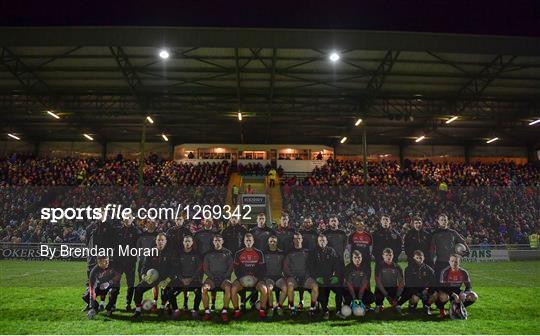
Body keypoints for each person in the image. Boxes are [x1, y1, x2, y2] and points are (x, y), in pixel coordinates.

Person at [132, 233, 173, 320]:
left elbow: (174, 268)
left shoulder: (170, 252)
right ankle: (138, 310)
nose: (160, 242)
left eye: (162, 240)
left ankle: (162, 308)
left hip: (165, 278)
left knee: (167, 290)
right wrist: (143, 276)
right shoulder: (151, 251)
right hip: (152, 277)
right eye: (158, 240)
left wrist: (167, 280)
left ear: (166, 241)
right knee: (138, 289)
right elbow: (144, 266)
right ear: (156, 241)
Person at [164, 235, 203, 320]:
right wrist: (182, 279)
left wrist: (191, 279)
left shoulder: (196, 254)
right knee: (170, 292)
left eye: (189, 241)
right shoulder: (178, 253)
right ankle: (175, 310)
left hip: (193, 280)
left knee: (199, 291)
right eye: (186, 241)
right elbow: (175, 268)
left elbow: (199, 269)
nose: (187, 243)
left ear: (192, 242)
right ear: (183, 242)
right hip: (181, 280)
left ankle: (195, 310)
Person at [231, 233, 268, 319]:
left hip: (256, 279)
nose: (248, 242)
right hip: (242, 279)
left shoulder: (259, 253)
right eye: (247, 240)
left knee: (264, 289)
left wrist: (257, 279)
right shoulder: (238, 253)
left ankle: (262, 310)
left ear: (253, 241)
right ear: (244, 241)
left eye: (250, 240)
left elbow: (263, 269)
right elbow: (236, 269)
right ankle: (236, 310)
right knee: (233, 289)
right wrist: (241, 279)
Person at [282, 232, 319, 317]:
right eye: (295, 238)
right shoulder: (289, 252)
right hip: (293, 277)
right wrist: (292, 276)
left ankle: (312, 308)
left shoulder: (307, 252)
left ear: (302, 240)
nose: (297, 240)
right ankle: (292, 308)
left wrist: (307, 276)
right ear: (293, 240)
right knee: (290, 286)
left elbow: (310, 266)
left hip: (305, 277)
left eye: (299, 238)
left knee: (315, 286)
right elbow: (286, 268)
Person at [201, 234, 234, 322]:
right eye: (215, 240)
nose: (217, 242)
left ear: (222, 242)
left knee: (228, 288)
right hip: (212, 279)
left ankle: (224, 310)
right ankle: (207, 311)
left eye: (219, 240)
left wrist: (225, 276)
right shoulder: (208, 253)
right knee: (204, 289)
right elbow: (205, 268)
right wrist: (211, 276)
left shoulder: (227, 253)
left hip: (224, 278)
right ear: (213, 242)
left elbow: (230, 267)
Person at [309, 234, 342, 319]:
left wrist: (336, 276)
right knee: (323, 292)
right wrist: (316, 277)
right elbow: (311, 267)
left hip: (331, 278)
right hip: (320, 279)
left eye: (324, 240)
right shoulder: (313, 252)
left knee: (340, 290)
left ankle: (338, 310)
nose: (322, 242)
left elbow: (337, 265)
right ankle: (325, 311)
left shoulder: (331, 251)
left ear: (327, 242)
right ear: (317, 242)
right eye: (320, 240)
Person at [436, 254, 478, 319]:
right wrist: (453, 294)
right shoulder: (445, 272)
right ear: (449, 262)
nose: (454, 263)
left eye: (456, 262)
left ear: (459, 262)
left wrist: (465, 293)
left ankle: (458, 308)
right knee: (444, 297)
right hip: (447, 291)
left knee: (474, 296)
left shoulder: (464, 272)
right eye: (452, 261)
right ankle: (442, 310)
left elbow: (469, 287)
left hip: (457, 290)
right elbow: (442, 287)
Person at [113, 215, 140, 311]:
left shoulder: (136, 231)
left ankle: (128, 303)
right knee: (115, 283)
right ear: (123, 219)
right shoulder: (117, 230)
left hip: (130, 262)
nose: (127, 219)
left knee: (131, 284)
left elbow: (140, 245)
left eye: (129, 217)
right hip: (118, 261)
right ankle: (113, 303)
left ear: (132, 219)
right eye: (126, 217)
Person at [397, 250, 436, 315]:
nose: (419, 259)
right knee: (415, 298)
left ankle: (427, 307)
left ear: (424, 258)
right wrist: (419, 293)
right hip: (414, 291)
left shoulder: (429, 269)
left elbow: (433, 283)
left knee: (435, 295)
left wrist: (427, 290)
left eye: (420, 258)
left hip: (425, 291)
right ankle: (411, 307)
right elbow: (409, 284)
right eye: (417, 258)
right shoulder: (408, 269)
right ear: (414, 258)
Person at [431, 214, 469, 279]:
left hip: (452, 262)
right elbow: (431, 247)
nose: (443, 221)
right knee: (438, 282)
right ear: (438, 221)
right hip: (440, 262)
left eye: (445, 220)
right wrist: (432, 259)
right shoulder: (434, 234)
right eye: (441, 220)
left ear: (447, 221)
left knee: (451, 282)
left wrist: (467, 251)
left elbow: (462, 242)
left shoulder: (453, 233)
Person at [343, 250, 374, 316]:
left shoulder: (366, 268)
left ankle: (365, 306)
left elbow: (365, 283)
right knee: (347, 299)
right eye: (355, 258)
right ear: (352, 258)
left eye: (359, 258)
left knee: (372, 297)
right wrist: (354, 298)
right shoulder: (347, 268)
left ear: (361, 258)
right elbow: (349, 284)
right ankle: (350, 304)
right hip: (350, 290)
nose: (357, 260)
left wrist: (360, 297)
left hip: (361, 289)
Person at [263, 235, 288, 317]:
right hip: (268, 277)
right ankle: (271, 308)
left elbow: (285, 266)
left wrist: (286, 276)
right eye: (271, 241)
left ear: (277, 243)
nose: (272, 243)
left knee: (285, 288)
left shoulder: (281, 252)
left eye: (274, 241)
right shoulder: (264, 253)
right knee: (269, 289)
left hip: (279, 276)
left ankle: (279, 306)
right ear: (268, 242)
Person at [374, 248, 404, 314]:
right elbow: (378, 282)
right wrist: (387, 296)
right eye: (386, 255)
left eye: (390, 255)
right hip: (382, 288)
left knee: (397, 301)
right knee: (378, 289)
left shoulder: (397, 267)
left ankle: (396, 305)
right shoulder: (379, 266)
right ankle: (379, 305)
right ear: (383, 256)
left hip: (392, 288)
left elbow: (401, 282)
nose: (388, 257)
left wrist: (397, 296)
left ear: (393, 256)